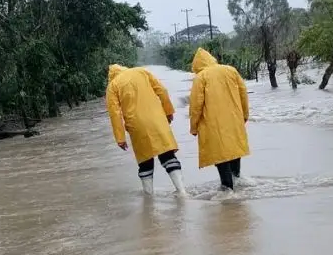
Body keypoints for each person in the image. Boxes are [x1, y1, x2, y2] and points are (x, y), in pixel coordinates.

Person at [106, 64, 187, 196]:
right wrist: (168, 111)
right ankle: (182, 191)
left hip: (137, 125)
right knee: (167, 155)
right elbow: (162, 90)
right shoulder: (141, 72)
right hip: (157, 120)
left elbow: (115, 113)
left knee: (145, 160)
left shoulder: (113, 86)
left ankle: (149, 198)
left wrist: (120, 138)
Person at [188, 47, 250, 191]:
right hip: (234, 120)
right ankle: (238, 182)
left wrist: (194, 126)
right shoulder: (230, 70)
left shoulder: (201, 77)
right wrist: (245, 115)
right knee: (234, 151)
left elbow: (196, 105)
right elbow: (243, 94)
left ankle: (227, 189)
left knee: (220, 156)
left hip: (213, 124)